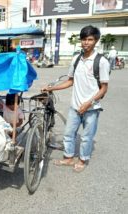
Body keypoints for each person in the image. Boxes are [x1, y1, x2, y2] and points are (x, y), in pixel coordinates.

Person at [41, 25, 110, 172]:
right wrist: (51, 88)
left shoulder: (101, 61)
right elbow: (70, 81)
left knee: (86, 137)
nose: (86, 42)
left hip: (91, 108)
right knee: (68, 133)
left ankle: (83, 160)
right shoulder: (76, 59)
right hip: (75, 106)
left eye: (90, 39)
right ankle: (68, 157)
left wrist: (88, 103)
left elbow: (104, 88)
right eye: (84, 39)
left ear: (96, 41)